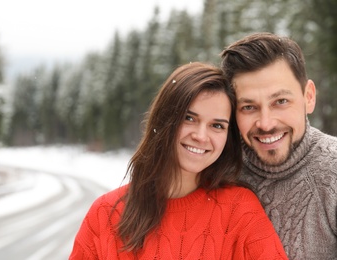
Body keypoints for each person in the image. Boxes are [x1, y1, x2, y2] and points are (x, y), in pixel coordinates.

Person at [69, 62, 288, 259]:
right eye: (189, 118)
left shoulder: (240, 210)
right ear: (165, 119)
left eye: (217, 125)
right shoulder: (104, 215)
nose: (201, 136)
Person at [220, 32, 337, 260]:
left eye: (280, 102)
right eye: (249, 107)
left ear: (309, 97)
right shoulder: (217, 172)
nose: (266, 123)